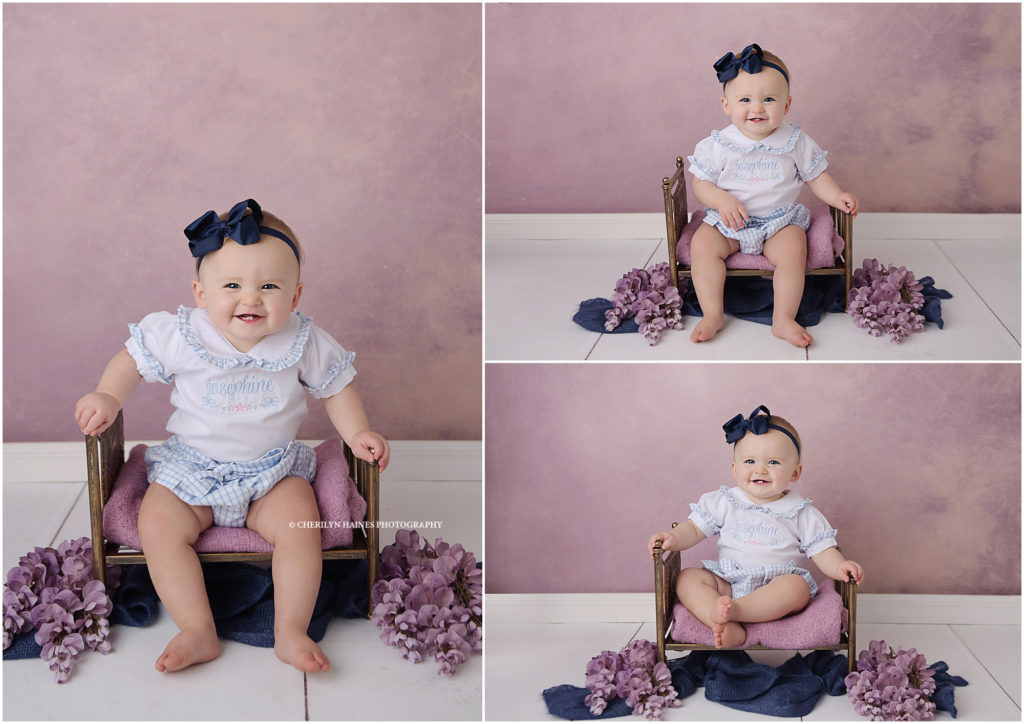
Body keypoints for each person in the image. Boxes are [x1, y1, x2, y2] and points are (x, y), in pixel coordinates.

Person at [74, 199, 390, 673]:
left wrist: (358, 430)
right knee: (157, 525)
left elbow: (337, 388)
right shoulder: (181, 334)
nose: (251, 298)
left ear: (296, 296)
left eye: (269, 286)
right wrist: (107, 395)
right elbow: (129, 362)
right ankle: (197, 628)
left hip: (273, 472)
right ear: (201, 293)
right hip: (191, 469)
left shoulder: (304, 340)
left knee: (301, 527)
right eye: (232, 286)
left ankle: (289, 630)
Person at [686, 44, 860, 347]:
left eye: (768, 99)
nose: (757, 108)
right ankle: (713, 313)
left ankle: (783, 319)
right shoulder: (717, 144)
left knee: (794, 251)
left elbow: (816, 176)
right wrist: (720, 199)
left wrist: (836, 196)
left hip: (779, 222)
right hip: (730, 222)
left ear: (787, 104)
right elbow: (700, 184)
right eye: (745, 100)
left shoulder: (795, 141)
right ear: (726, 106)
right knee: (702, 245)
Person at [647, 405, 863, 648]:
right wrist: (673, 537)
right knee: (687, 578)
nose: (760, 469)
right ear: (735, 469)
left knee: (797, 588)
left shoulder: (802, 512)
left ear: (795, 472)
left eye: (773, 462)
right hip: (727, 582)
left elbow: (823, 551)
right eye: (750, 461)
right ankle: (717, 617)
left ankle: (737, 612)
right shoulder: (726, 501)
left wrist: (840, 566)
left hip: (775, 586)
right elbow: (695, 529)